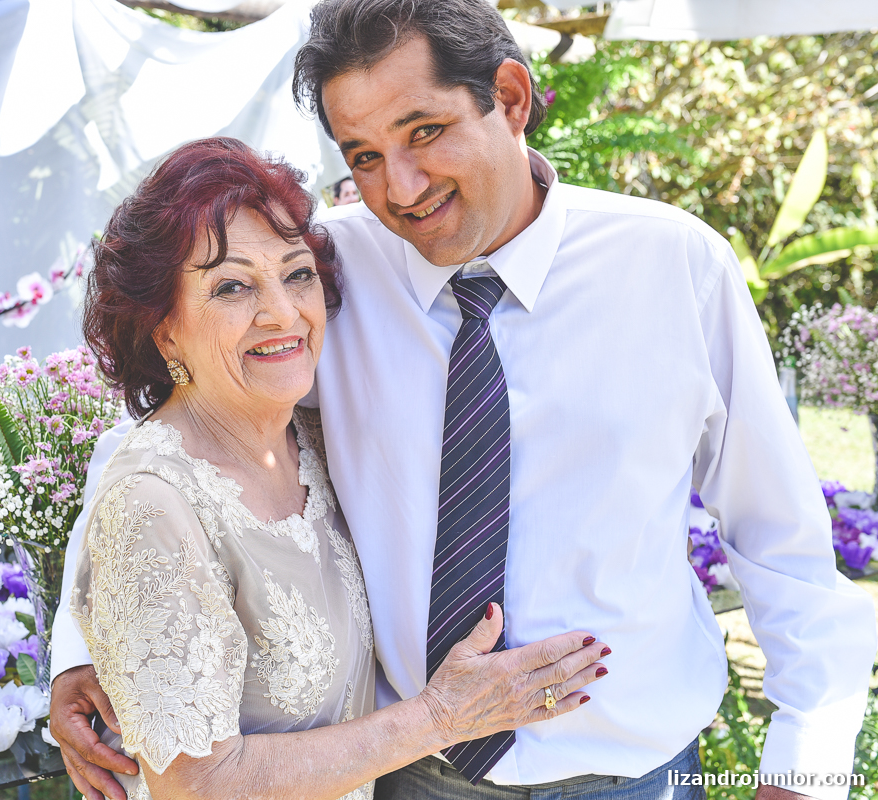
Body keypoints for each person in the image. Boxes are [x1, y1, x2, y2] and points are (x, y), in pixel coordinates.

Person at [52, 2, 877, 800]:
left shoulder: (675, 266)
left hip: (638, 777)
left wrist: (805, 766)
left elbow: (780, 538)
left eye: (424, 133)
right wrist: (77, 651)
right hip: (408, 772)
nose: (400, 188)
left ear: (511, 98)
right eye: (364, 155)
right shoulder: (321, 273)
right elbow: (164, 438)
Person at [62, 137, 609, 800]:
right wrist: (439, 718)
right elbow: (194, 784)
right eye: (231, 286)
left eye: (296, 274)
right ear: (164, 328)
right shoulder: (154, 502)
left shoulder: (312, 439)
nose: (282, 313)